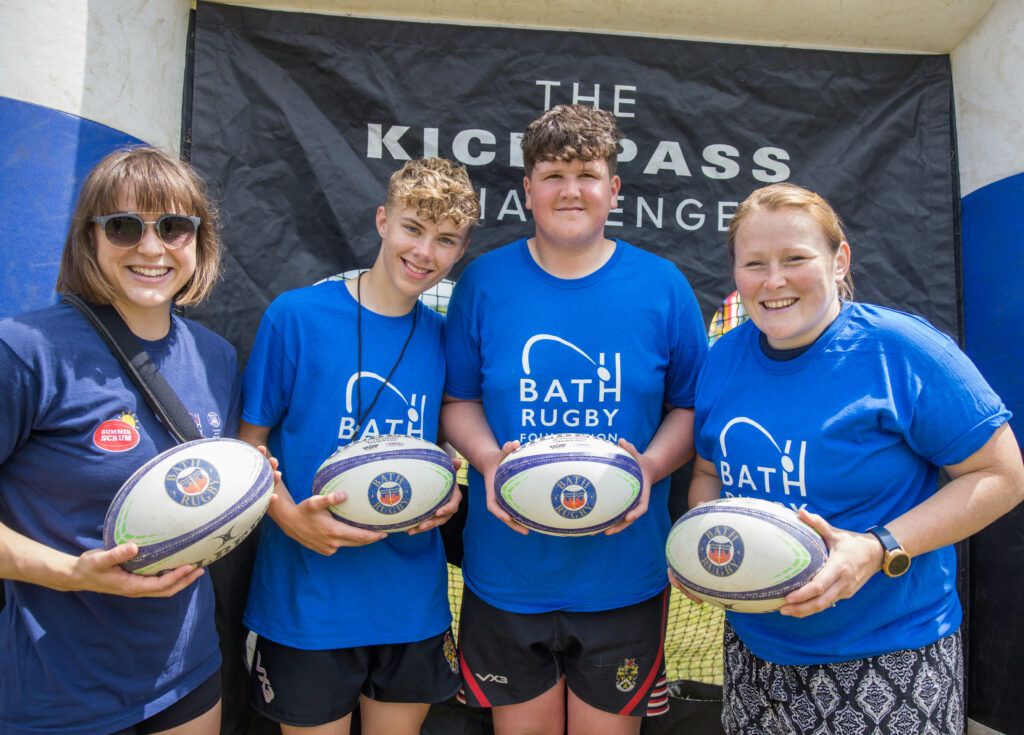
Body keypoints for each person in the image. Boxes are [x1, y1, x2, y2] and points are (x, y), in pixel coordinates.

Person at [680, 182, 1024, 734]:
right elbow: (706, 473)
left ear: (839, 260)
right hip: (757, 655)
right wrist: (708, 541)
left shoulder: (902, 350)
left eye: (795, 258)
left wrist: (877, 547)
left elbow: (1002, 476)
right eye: (755, 263)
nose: (774, 281)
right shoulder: (723, 359)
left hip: (890, 657)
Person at [442, 104, 708, 734]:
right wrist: (485, 459)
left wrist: (649, 465)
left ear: (613, 190)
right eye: (553, 173)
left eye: (587, 173)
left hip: (622, 575)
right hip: (509, 569)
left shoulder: (662, 285)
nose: (571, 189)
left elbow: (692, 406)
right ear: (528, 189)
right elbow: (457, 400)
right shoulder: (483, 282)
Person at [0, 146, 238, 734]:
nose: (152, 249)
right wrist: (71, 572)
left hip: (187, 672)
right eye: (125, 227)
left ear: (199, 240)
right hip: (57, 690)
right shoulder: (26, 351)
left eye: (175, 227)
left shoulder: (217, 357)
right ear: (91, 238)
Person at [238, 157, 479, 735]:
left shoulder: (445, 338)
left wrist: (445, 496)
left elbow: (443, 451)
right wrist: (291, 518)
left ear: (460, 251)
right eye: (413, 229)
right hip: (308, 599)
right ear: (382, 220)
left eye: (444, 240)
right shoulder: (295, 317)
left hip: (409, 602)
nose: (424, 252)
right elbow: (249, 446)